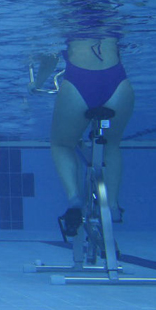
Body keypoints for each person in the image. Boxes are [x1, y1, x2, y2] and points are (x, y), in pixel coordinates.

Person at [30, 36, 133, 236]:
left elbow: (50, 59)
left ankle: (75, 199)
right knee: (111, 145)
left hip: (79, 82)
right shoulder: (111, 22)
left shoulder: (65, 21)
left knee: (62, 145)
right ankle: (112, 205)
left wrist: (36, 84)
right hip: (118, 83)